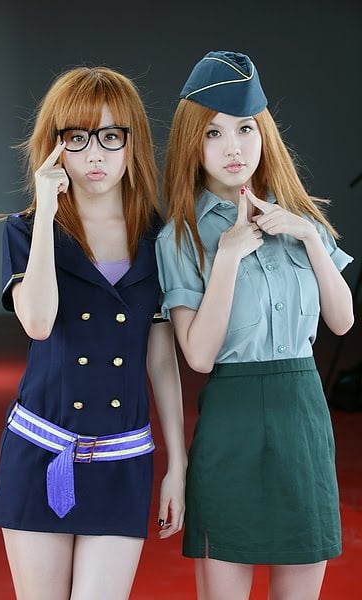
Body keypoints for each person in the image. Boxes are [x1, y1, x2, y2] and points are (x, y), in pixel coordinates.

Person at [155, 50, 354, 599]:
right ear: (193, 144)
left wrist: (309, 236)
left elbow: (342, 320)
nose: (234, 147)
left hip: (303, 417)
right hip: (231, 421)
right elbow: (198, 356)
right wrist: (227, 255)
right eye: (214, 133)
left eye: (245, 128)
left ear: (264, 133)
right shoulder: (180, 236)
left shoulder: (301, 219)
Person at [0, 65, 187, 600]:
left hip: (123, 457)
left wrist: (178, 464)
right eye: (76, 137)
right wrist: (47, 212)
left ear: (132, 142)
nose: (94, 154)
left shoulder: (159, 238)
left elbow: (161, 360)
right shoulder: (26, 230)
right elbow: (37, 322)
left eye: (109, 136)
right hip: (40, 452)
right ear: (55, 146)